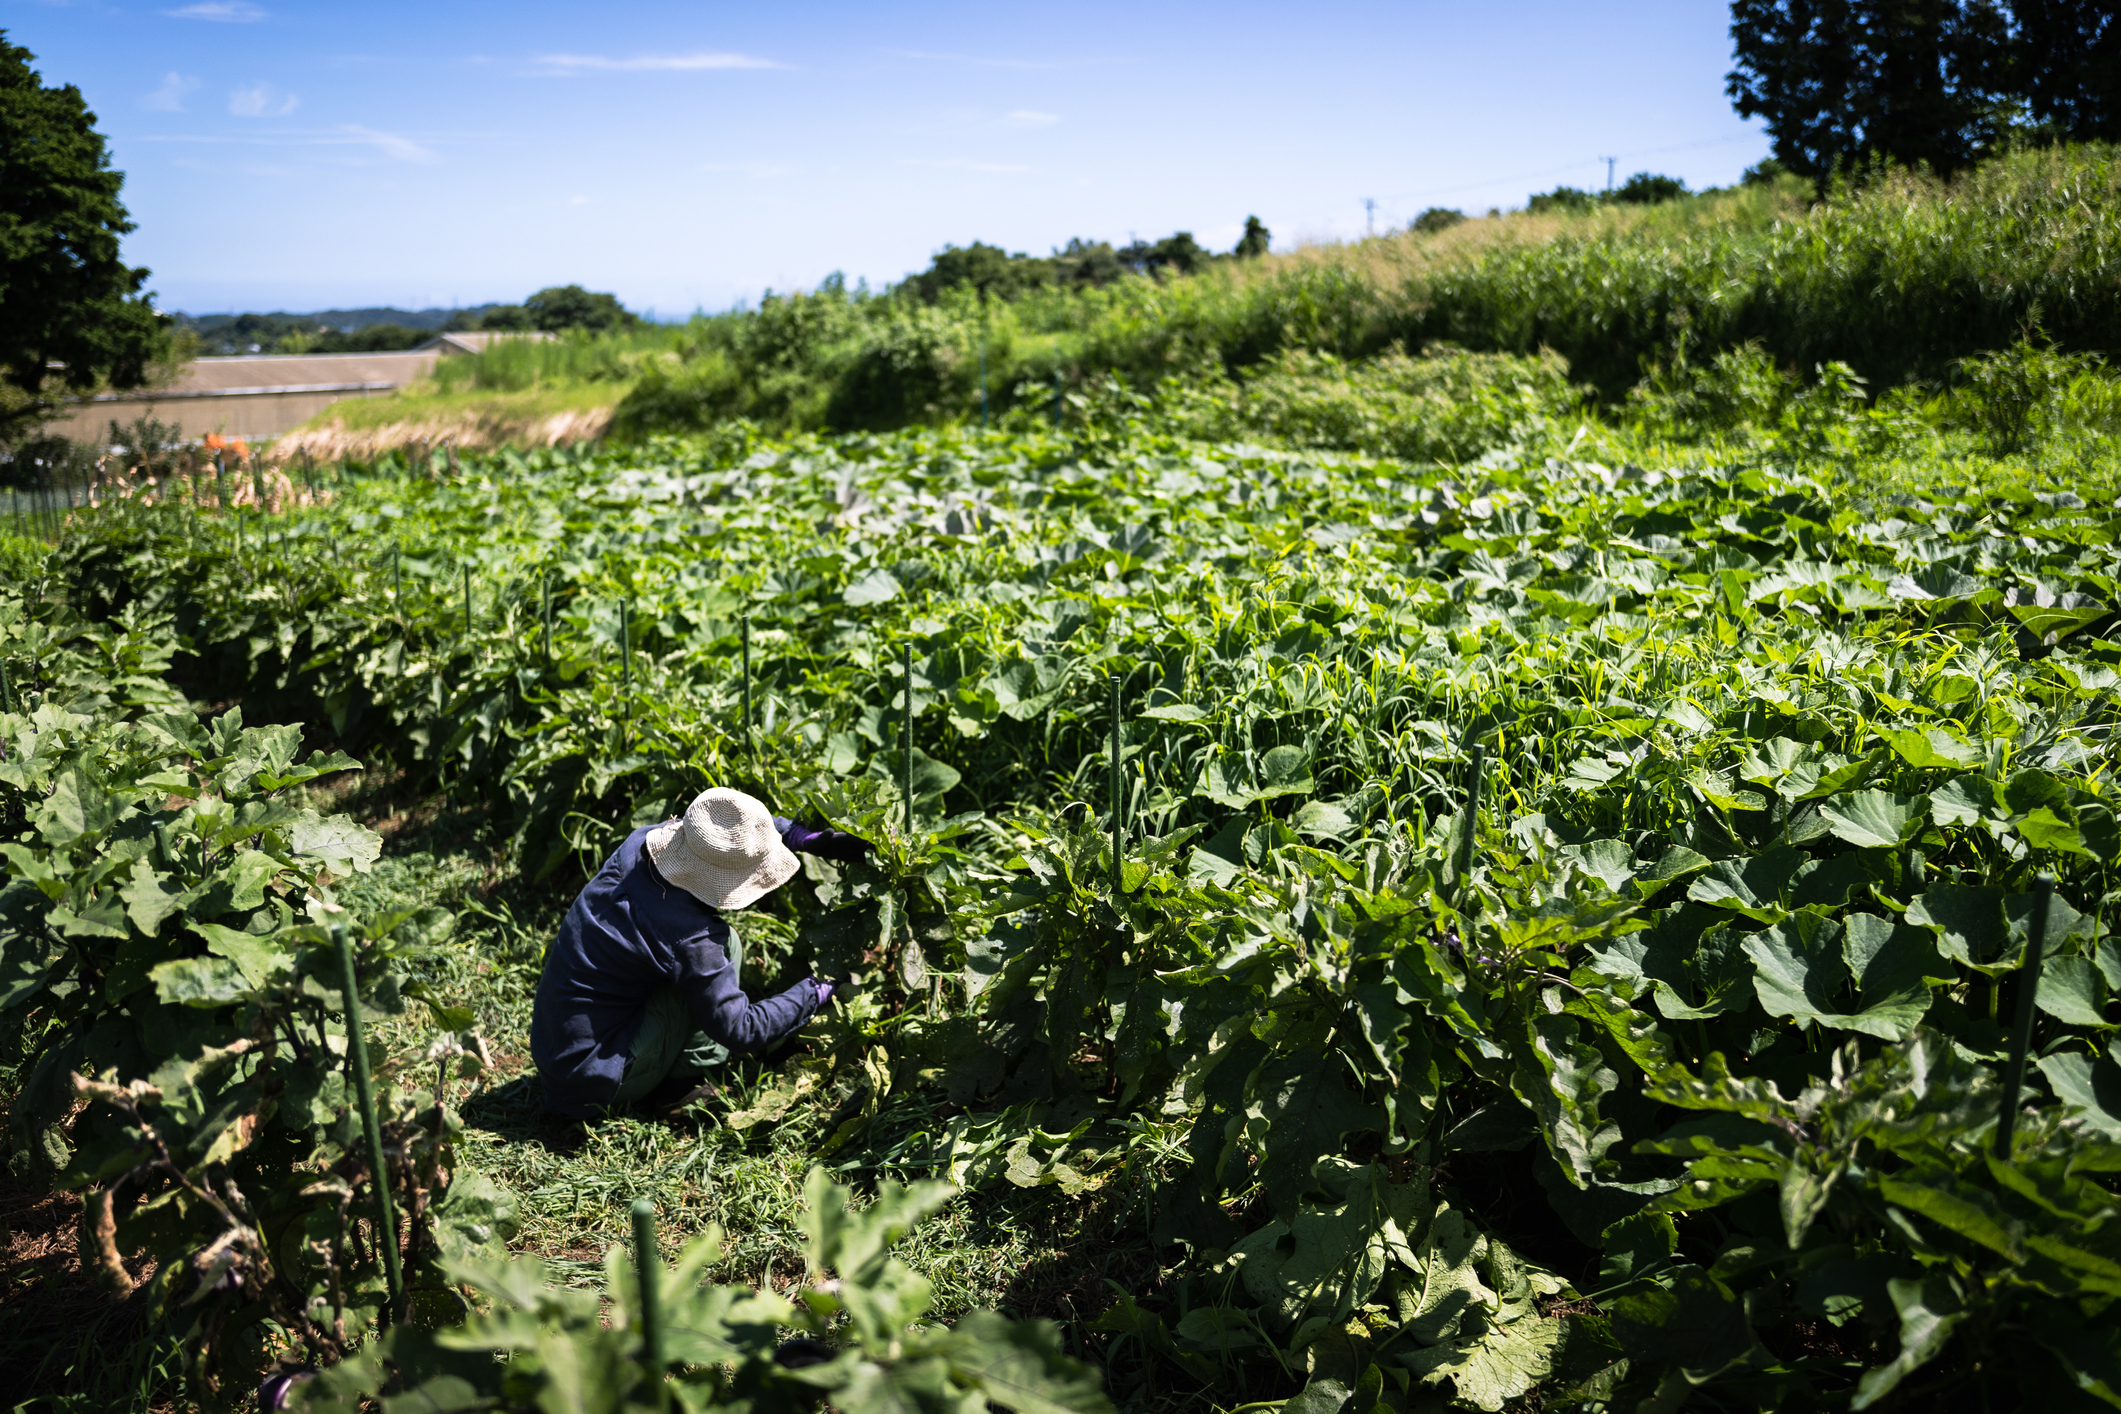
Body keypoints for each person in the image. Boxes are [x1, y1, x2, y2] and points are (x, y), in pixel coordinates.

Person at [531, 786, 869, 1120]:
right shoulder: (692, 938)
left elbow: (723, 837)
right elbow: (741, 1030)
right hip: (594, 1077)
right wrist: (817, 989)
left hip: (558, 1046)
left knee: (714, 955)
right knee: (719, 955)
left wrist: (796, 836)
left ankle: (665, 1066)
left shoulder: (641, 843)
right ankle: (678, 1090)